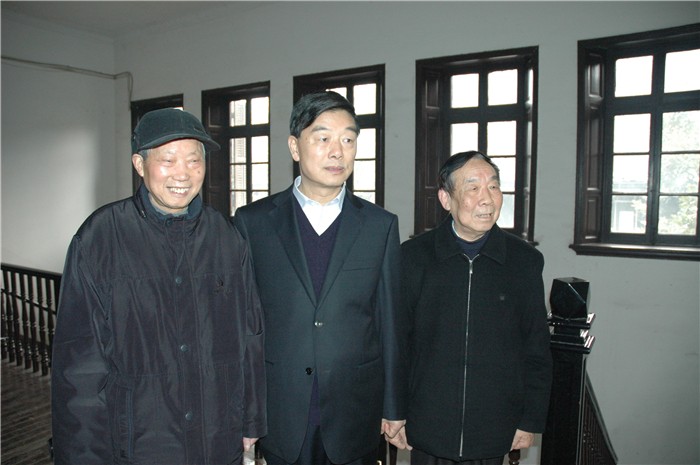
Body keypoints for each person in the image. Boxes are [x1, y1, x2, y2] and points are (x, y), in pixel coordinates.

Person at [51, 108, 267, 465]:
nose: (183, 173)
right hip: (139, 442)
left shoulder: (225, 237)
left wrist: (252, 420)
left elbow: (250, 335)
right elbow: (79, 368)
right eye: (168, 160)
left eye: (194, 160)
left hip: (217, 435)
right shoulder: (100, 238)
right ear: (140, 164)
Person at [232, 91, 406, 465]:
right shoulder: (253, 223)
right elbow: (242, 326)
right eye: (323, 138)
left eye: (348, 140)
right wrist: (245, 410)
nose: (337, 152)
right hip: (280, 410)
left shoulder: (379, 226)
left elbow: (389, 322)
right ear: (295, 147)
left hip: (355, 411)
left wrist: (393, 407)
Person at [394, 151, 552, 465]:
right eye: (473, 188)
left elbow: (536, 348)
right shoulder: (412, 258)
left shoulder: (524, 262)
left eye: (493, 187)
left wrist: (530, 420)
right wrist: (392, 411)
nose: (487, 199)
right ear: (446, 199)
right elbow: (396, 344)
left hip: (494, 427)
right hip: (426, 425)